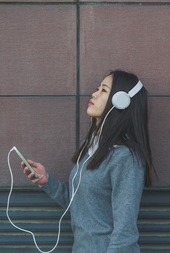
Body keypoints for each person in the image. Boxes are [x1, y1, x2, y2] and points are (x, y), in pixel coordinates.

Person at [21, 69, 154, 253]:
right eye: (97, 88)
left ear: (121, 101)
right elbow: (80, 204)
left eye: (104, 90)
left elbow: (125, 232)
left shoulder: (125, 158)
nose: (94, 93)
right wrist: (47, 182)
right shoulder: (89, 146)